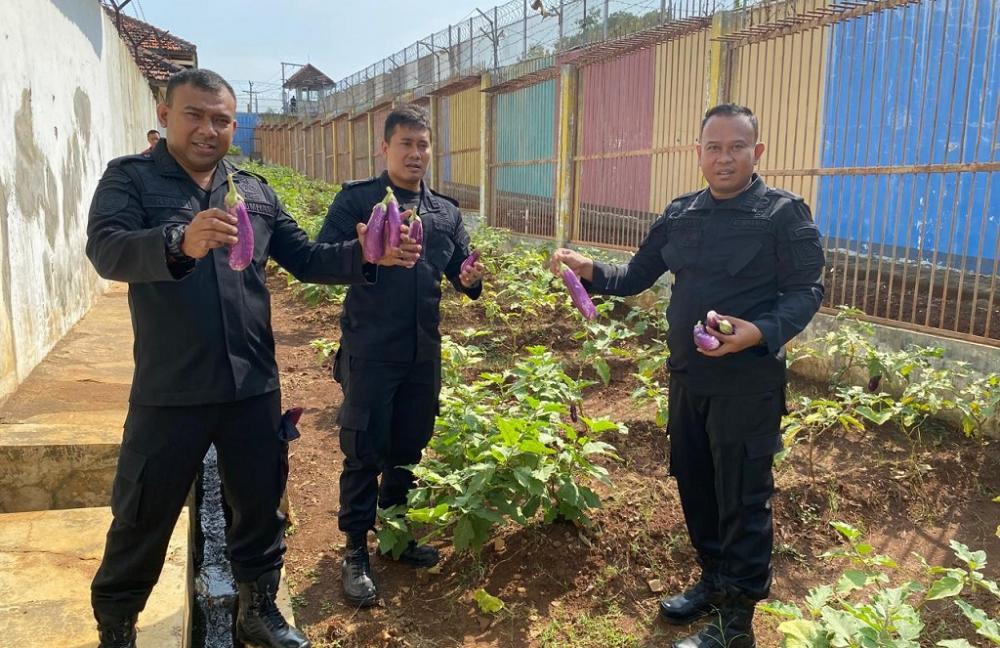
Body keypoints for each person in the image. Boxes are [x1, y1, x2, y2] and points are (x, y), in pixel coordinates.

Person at [85, 68, 420, 648]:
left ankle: (258, 610)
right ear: (165, 117)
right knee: (142, 515)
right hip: (171, 390)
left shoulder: (255, 191)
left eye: (221, 119)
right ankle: (117, 627)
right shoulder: (132, 181)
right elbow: (107, 249)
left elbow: (309, 258)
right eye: (194, 115)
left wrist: (367, 253)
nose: (208, 129)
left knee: (261, 506)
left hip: (252, 386)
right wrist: (176, 242)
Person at [549, 104, 825, 648]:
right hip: (688, 381)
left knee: (743, 495)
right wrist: (591, 273)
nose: (725, 158)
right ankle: (714, 580)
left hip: (747, 387)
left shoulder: (783, 214)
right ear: (697, 153)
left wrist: (758, 331)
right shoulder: (681, 214)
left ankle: (738, 620)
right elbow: (635, 275)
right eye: (714, 147)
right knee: (697, 485)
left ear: (757, 152)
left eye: (737, 147)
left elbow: (807, 290)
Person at [316, 104, 486, 607]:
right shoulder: (358, 203)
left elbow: (460, 270)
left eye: (423, 144)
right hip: (370, 350)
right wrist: (366, 251)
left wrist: (470, 279)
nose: (416, 153)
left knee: (410, 445)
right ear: (385, 148)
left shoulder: (444, 212)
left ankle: (393, 534)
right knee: (363, 448)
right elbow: (321, 258)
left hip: (421, 353)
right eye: (406, 144)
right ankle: (354, 551)